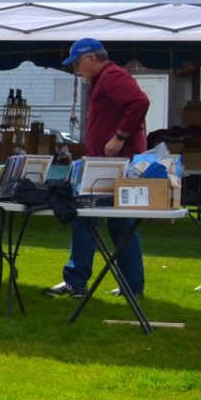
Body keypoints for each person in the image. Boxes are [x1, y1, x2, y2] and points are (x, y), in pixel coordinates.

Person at [47, 38, 150, 301]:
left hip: (114, 164)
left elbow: (139, 102)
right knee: (119, 223)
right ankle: (132, 285)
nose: (76, 70)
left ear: (92, 58)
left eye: (78, 63)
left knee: (85, 216)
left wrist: (120, 137)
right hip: (112, 162)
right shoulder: (106, 78)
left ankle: (77, 282)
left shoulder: (112, 75)